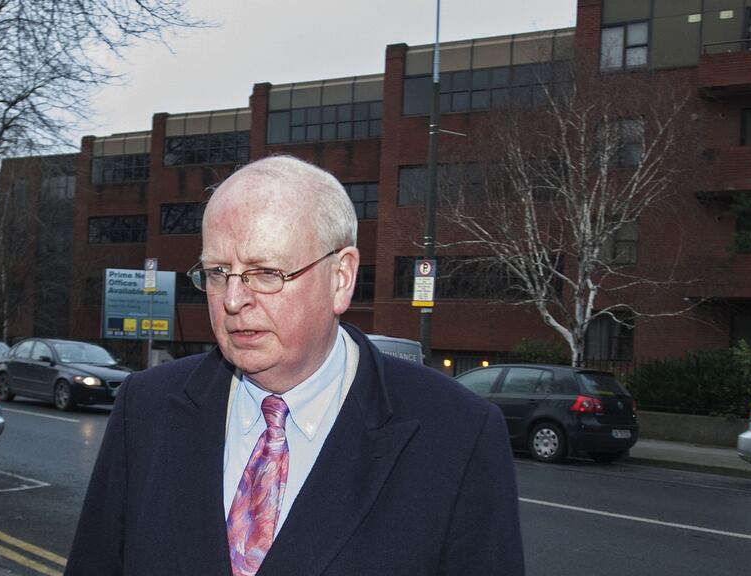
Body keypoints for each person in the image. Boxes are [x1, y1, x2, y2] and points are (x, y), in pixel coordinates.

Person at [65, 156, 524, 576]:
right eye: (218, 272)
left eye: (266, 273)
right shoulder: (144, 407)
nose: (233, 300)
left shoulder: (460, 434)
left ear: (340, 278)